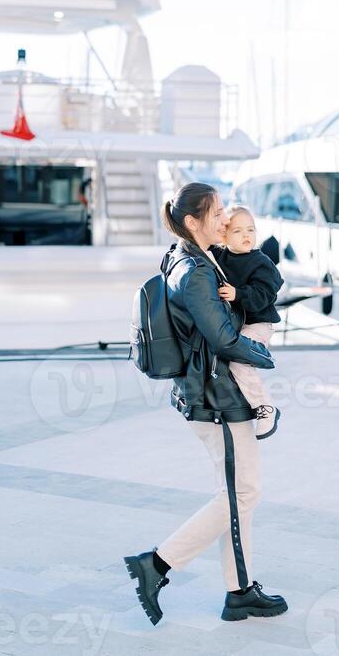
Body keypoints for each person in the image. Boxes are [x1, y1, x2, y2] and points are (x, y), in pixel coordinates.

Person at [123, 182, 288, 626]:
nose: (224, 220)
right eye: (216, 213)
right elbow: (225, 338)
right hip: (217, 395)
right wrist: (264, 355)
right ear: (194, 221)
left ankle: (240, 590)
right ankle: (156, 565)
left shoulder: (191, 256)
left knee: (236, 492)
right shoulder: (196, 270)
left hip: (210, 389)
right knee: (244, 492)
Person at [210, 205, 284, 439]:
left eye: (250, 230)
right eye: (238, 231)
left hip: (257, 324)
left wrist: (238, 294)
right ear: (224, 235)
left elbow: (264, 296)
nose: (246, 236)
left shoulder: (261, 262)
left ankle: (265, 409)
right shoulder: (220, 256)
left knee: (238, 362)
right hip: (234, 324)